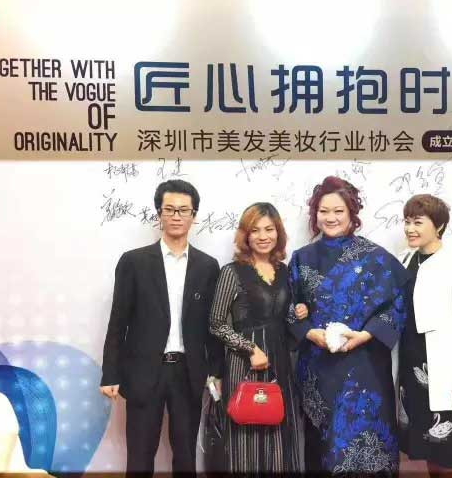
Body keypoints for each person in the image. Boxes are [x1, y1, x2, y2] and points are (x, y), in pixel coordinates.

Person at [99, 179, 223, 476]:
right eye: (169, 209)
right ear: (159, 213)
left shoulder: (207, 266)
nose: (176, 216)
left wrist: (216, 371)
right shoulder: (134, 262)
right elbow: (118, 321)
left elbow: (212, 325)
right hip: (144, 372)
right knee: (140, 457)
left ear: (194, 215)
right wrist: (110, 373)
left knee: (185, 457)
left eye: (183, 210)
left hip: (188, 372)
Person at [288, 176, 409, 474]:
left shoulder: (376, 258)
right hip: (318, 367)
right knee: (322, 449)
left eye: (338, 211)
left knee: (366, 446)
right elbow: (287, 305)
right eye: (323, 211)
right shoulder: (302, 258)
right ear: (315, 214)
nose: (330, 218)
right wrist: (309, 332)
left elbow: (398, 302)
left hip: (365, 368)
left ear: (352, 213)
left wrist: (366, 334)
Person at [209, 202, 303, 473]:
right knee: (245, 437)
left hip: (280, 362)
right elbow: (216, 323)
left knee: (279, 434)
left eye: (269, 229)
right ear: (245, 235)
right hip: (244, 364)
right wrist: (250, 349)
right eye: (255, 230)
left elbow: (285, 319)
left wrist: (299, 311)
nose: (263, 236)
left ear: (278, 233)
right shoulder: (231, 271)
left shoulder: (285, 271)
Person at [397, 194, 452, 477]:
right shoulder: (405, 259)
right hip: (411, 366)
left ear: (439, 225)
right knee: (426, 446)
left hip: (443, 370)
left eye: (418, 222)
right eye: (407, 222)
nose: (410, 229)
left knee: (450, 453)